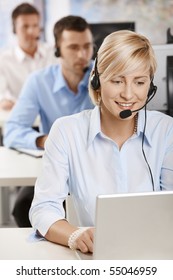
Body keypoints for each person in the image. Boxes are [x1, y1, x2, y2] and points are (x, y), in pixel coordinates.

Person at [29, 29, 173, 254]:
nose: (128, 94)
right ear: (97, 79)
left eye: (139, 82)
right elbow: (43, 209)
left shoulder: (165, 130)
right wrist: (75, 235)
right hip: (94, 259)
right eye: (117, 81)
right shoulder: (67, 131)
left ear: (150, 85)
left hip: (156, 256)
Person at [4, 15, 95, 227]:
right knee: (23, 207)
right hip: (56, 168)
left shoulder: (104, 78)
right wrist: (45, 140)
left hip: (94, 167)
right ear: (57, 50)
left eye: (87, 46)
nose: (82, 54)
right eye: (73, 47)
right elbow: (12, 130)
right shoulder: (39, 81)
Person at [0, 2, 57, 111]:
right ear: (14, 29)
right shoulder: (3, 60)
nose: (31, 31)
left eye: (35, 26)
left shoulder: (53, 54)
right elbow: (4, 101)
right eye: (25, 26)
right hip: (20, 120)